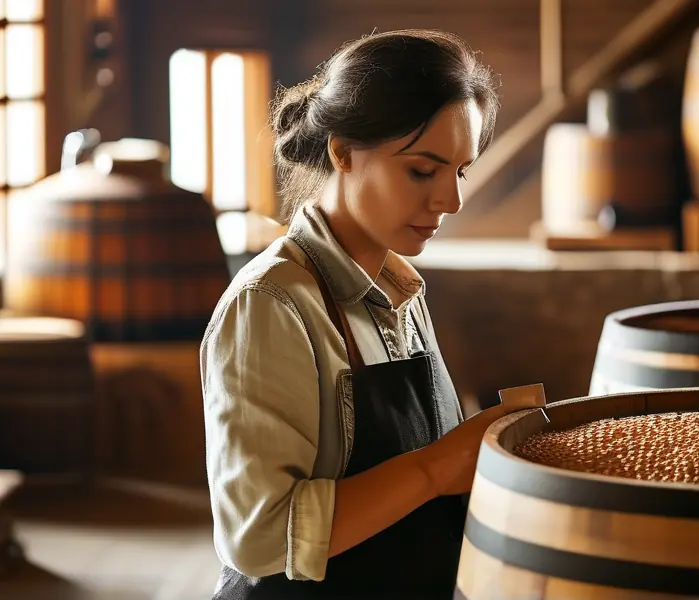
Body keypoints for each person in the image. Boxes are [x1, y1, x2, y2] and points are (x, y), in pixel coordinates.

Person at [201, 28, 505, 599]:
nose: (451, 200)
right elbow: (260, 537)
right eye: (422, 170)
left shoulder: (400, 289)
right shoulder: (273, 303)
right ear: (342, 151)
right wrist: (437, 467)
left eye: (460, 171)